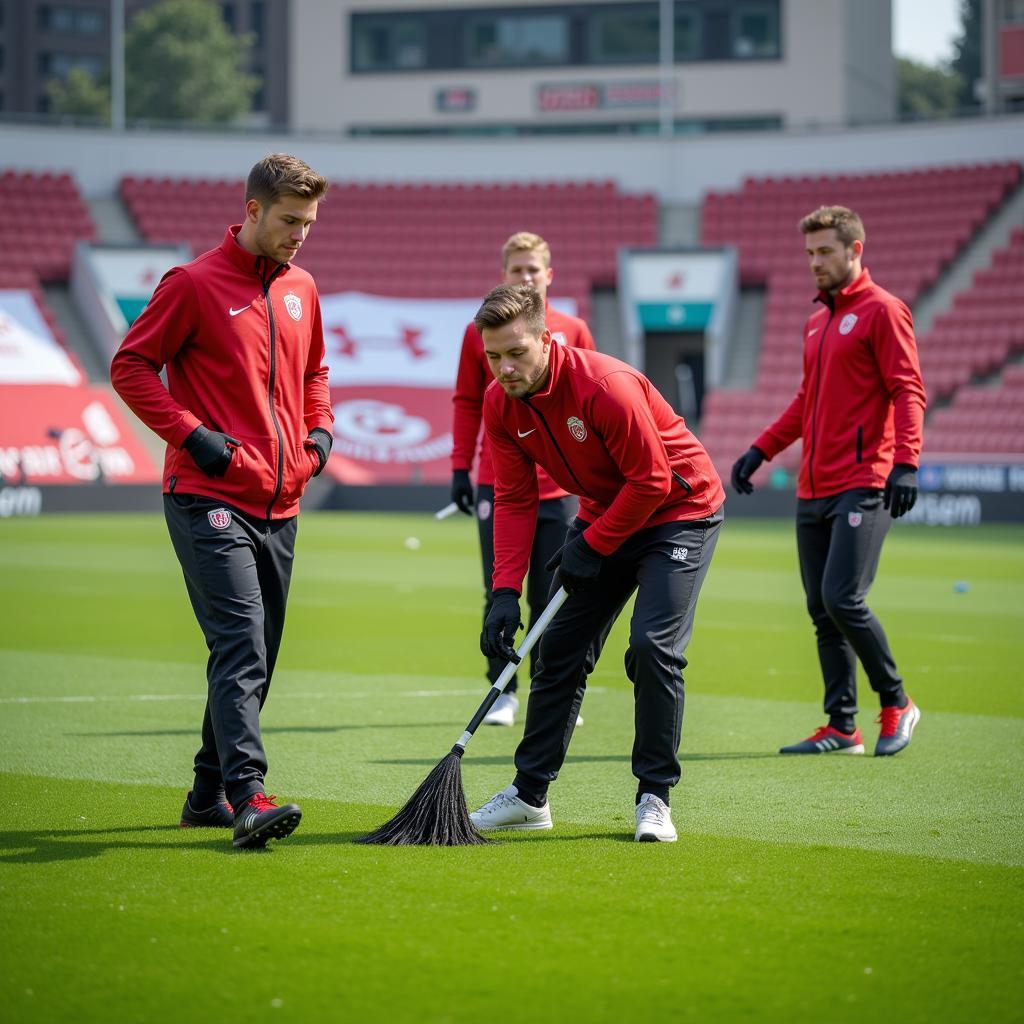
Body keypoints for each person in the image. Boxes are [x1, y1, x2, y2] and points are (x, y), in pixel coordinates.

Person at [110, 153, 333, 849]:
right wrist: (196, 437)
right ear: (252, 211)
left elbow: (315, 371)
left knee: (257, 651)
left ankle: (206, 793)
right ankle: (248, 795)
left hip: (282, 501)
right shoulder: (194, 284)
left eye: (309, 223)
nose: (300, 234)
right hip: (207, 495)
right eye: (290, 220)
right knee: (240, 643)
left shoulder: (303, 288)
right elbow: (130, 366)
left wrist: (319, 437)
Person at [467, 284, 725, 842]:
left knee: (652, 648)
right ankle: (529, 796)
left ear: (545, 339)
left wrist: (595, 544)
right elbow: (514, 498)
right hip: (608, 513)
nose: (504, 369)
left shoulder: (604, 387)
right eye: (493, 357)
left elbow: (653, 480)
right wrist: (505, 592)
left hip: (680, 511)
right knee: (558, 648)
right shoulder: (500, 403)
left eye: (516, 353)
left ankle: (654, 797)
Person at [730, 205, 926, 758]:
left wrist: (906, 462)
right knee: (821, 608)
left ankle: (897, 702)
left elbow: (908, 390)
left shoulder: (884, 311)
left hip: (864, 480)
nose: (815, 262)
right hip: (812, 487)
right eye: (809, 253)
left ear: (855, 250)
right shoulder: (816, 320)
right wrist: (761, 448)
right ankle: (842, 726)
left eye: (825, 252)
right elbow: (805, 400)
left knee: (844, 598)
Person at [450, 232, 595, 727]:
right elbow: (469, 400)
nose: (526, 277)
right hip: (500, 481)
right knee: (502, 587)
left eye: (534, 270)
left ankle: (549, 690)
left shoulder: (572, 328)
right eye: (517, 270)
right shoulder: (483, 333)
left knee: (551, 593)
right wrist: (458, 466)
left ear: (548, 275)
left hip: (558, 488)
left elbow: (589, 396)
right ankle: (502, 691)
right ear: (504, 274)